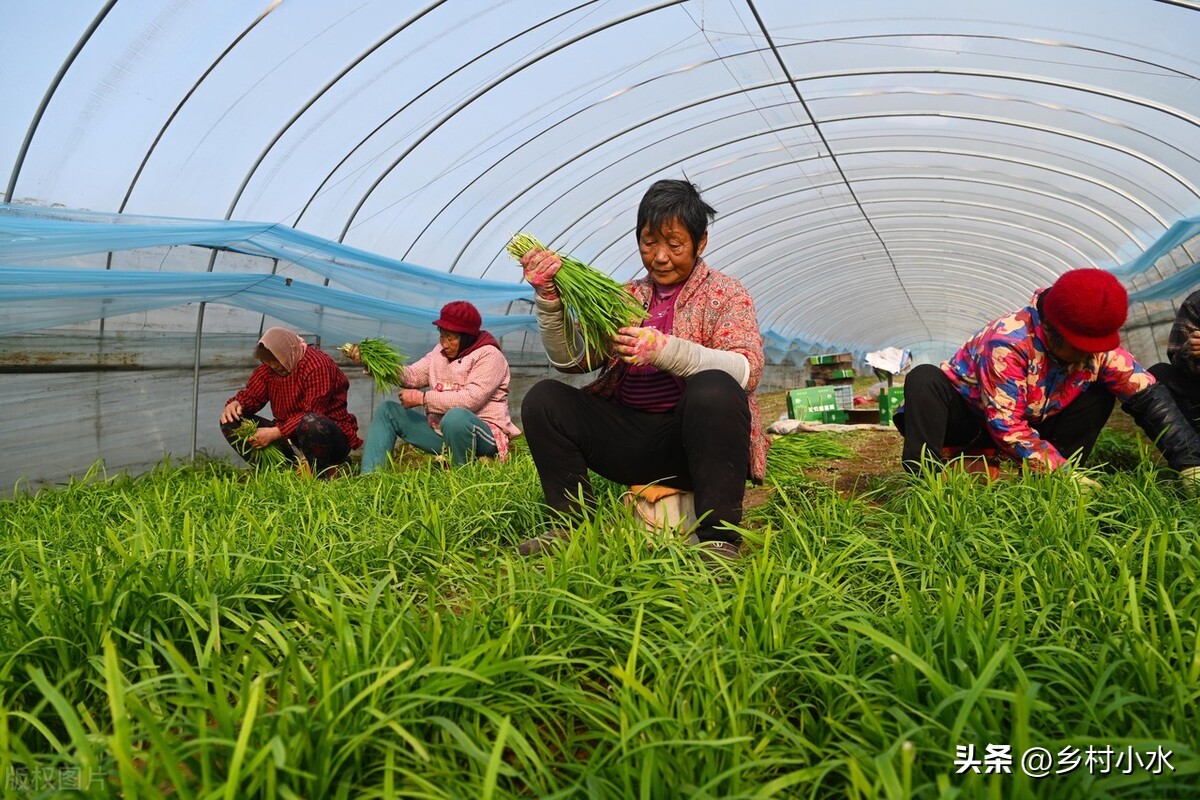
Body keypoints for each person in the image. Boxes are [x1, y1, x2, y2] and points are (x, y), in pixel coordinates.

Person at [515, 179, 766, 559]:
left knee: (716, 386)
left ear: (701, 243)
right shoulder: (626, 297)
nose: (660, 256)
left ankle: (719, 540)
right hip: (631, 441)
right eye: (649, 243)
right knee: (544, 399)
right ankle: (571, 526)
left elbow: (747, 370)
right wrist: (549, 299)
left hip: (695, 447)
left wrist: (666, 350)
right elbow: (572, 361)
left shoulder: (726, 293)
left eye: (674, 244)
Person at [894, 268, 1200, 488]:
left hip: (1036, 422)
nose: (1087, 356)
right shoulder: (1008, 341)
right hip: (974, 423)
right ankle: (926, 479)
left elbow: (1147, 394)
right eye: (1080, 348)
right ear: (1052, 328)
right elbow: (1006, 425)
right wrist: (1060, 473)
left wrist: (1189, 461)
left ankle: (1055, 474)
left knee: (1102, 392)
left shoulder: (1097, 348)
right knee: (924, 378)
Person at [356, 301, 521, 472]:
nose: (445, 343)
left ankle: (461, 477)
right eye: (442, 336)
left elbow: (471, 399)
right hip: (443, 431)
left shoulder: (489, 355)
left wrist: (423, 399)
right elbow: (412, 375)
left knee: (455, 417)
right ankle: (370, 476)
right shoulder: (438, 353)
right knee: (388, 411)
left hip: (483, 434)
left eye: (451, 338)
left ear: (467, 336)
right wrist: (375, 363)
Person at [220, 326, 361, 476]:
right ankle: (283, 471)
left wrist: (275, 432)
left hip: (328, 437)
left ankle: (323, 471)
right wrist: (236, 404)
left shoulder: (317, 366)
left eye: (280, 367)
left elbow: (313, 412)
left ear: (289, 353)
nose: (276, 369)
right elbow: (252, 396)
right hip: (290, 436)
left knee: (311, 421)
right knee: (230, 421)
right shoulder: (270, 368)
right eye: (272, 366)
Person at [1147, 289, 1200, 432]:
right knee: (1158, 374)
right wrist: (1190, 350)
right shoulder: (1196, 303)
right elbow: (1176, 358)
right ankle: (1191, 448)